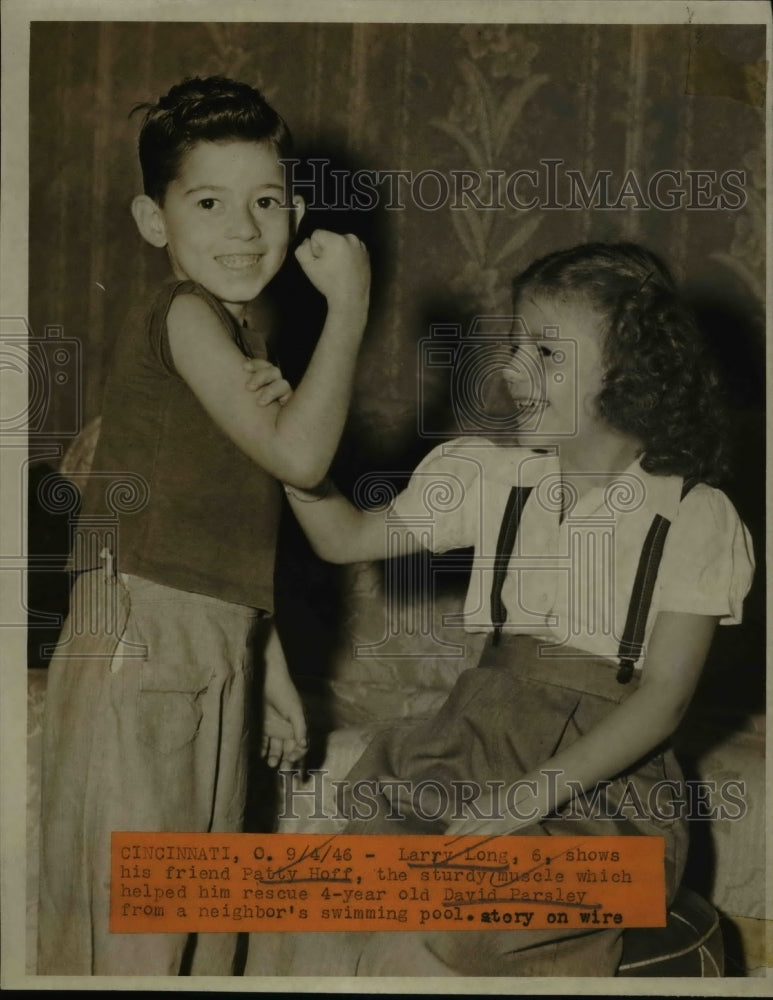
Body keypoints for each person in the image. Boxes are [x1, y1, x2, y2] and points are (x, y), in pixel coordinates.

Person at [245, 242, 754, 977]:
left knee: (470, 930)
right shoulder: (493, 479)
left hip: (601, 791)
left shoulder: (693, 515)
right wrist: (291, 460)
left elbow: (663, 700)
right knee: (356, 900)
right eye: (515, 346)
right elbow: (344, 537)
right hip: (471, 746)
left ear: (629, 370)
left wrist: (531, 794)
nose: (512, 370)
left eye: (545, 352)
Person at [37, 76, 370, 976]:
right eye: (210, 202)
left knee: (198, 922)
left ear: (295, 214)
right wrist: (350, 309)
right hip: (145, 649)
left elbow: (227, 530)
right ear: (155, 223)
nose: (244, 229)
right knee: (138, 936)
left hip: (208, 649)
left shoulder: (241, 349)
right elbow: (300, 462)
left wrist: (269, 671)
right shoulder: (182, 315)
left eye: (265, 202)